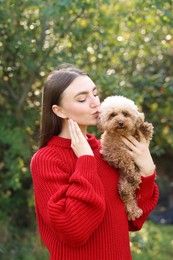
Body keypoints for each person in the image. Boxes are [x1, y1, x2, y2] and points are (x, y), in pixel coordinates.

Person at [30, 64, 159, 260]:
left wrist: (148, 172)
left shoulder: (106, 151)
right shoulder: (46, 160)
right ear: (60, 111)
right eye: (82, 99)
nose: (95, 103)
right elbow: (74, 231)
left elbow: (134, 221)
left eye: (95, 94)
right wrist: (85, 162)